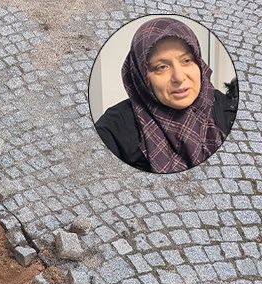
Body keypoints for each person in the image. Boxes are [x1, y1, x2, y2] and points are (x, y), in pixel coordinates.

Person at [95, 17, 238, 173]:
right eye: (161, 67)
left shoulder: (228, 109)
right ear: (141, 77)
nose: (179, 77)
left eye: (187, 60)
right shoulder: (114, 129)